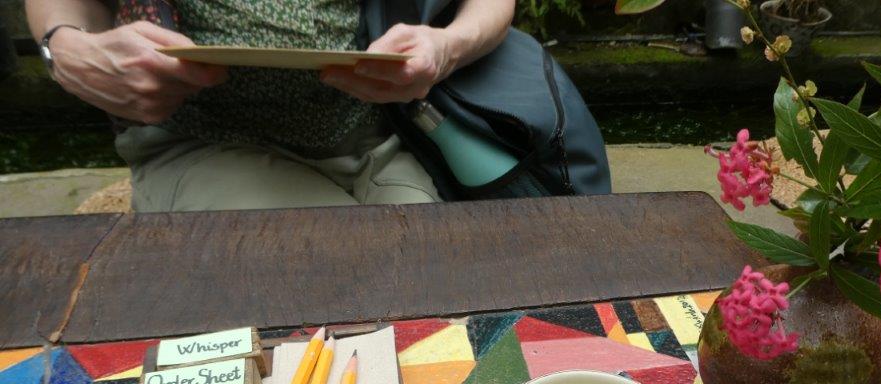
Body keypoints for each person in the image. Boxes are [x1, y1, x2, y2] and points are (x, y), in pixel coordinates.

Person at [25, 0, 515, 211]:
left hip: (373, 140)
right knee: (344, 281)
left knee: (434, 282)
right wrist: (65, 47)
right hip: (203, 143)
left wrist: (449, 45)